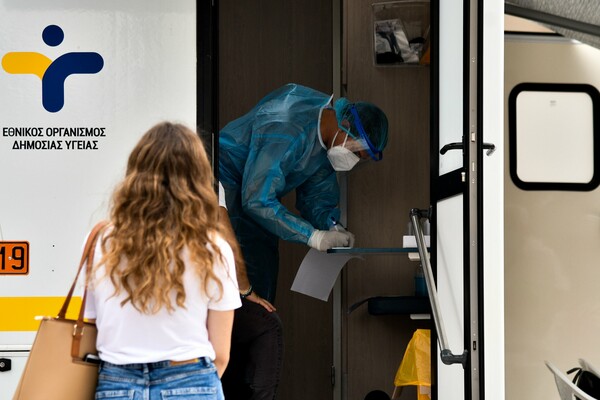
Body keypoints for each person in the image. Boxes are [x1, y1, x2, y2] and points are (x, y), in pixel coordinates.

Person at [219, 83, 389, 399]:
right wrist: (312, 236)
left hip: (254, 211)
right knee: (236, 300)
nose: (354, 160)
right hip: (227, 192)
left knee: (260, 302)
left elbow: (317, 197)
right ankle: (229, 387)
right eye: (356, 152)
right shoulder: (286, 123)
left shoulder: (324, 143)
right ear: (345, 125)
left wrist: (332, 226)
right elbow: (256, 199)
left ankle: (245, 386)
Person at [84, 122, 242, 400]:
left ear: (136, 174)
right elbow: (221, 355)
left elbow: (93, 325)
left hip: (118, 383)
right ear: (197, 178)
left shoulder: (102, 240)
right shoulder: (213, 248)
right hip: (191, 380)